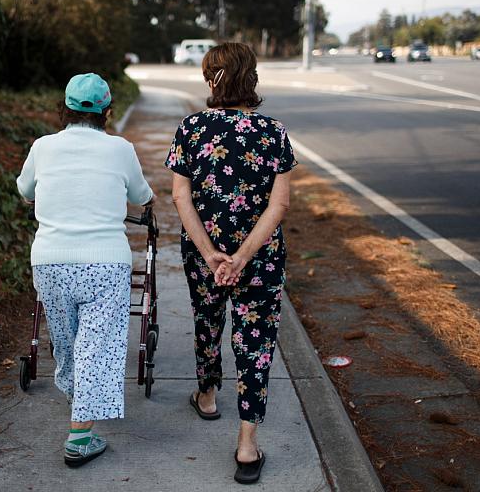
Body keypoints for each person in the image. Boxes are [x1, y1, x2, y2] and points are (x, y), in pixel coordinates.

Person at [165, 42, 296, 484]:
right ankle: (246, 444)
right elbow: (278, 206)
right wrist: (241, 257)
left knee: (207, 320)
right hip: (259, 258)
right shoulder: (274, 132)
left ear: (211, 79)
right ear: (251, 79)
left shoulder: (191, 129)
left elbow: (180, 196)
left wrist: (211, 254)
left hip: (206, 253)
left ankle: (207, 396)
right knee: (255, 344)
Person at [16, 73, 154, 467]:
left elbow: (25, 190)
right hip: (105, 263)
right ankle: (80, 436)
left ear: (65, 109)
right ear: (108, 113)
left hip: (51, 261)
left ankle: (80, 411)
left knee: (68, 340)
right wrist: (147, 198)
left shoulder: (42, 147)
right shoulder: (120, 149)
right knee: (99, 345)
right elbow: (140, 194)